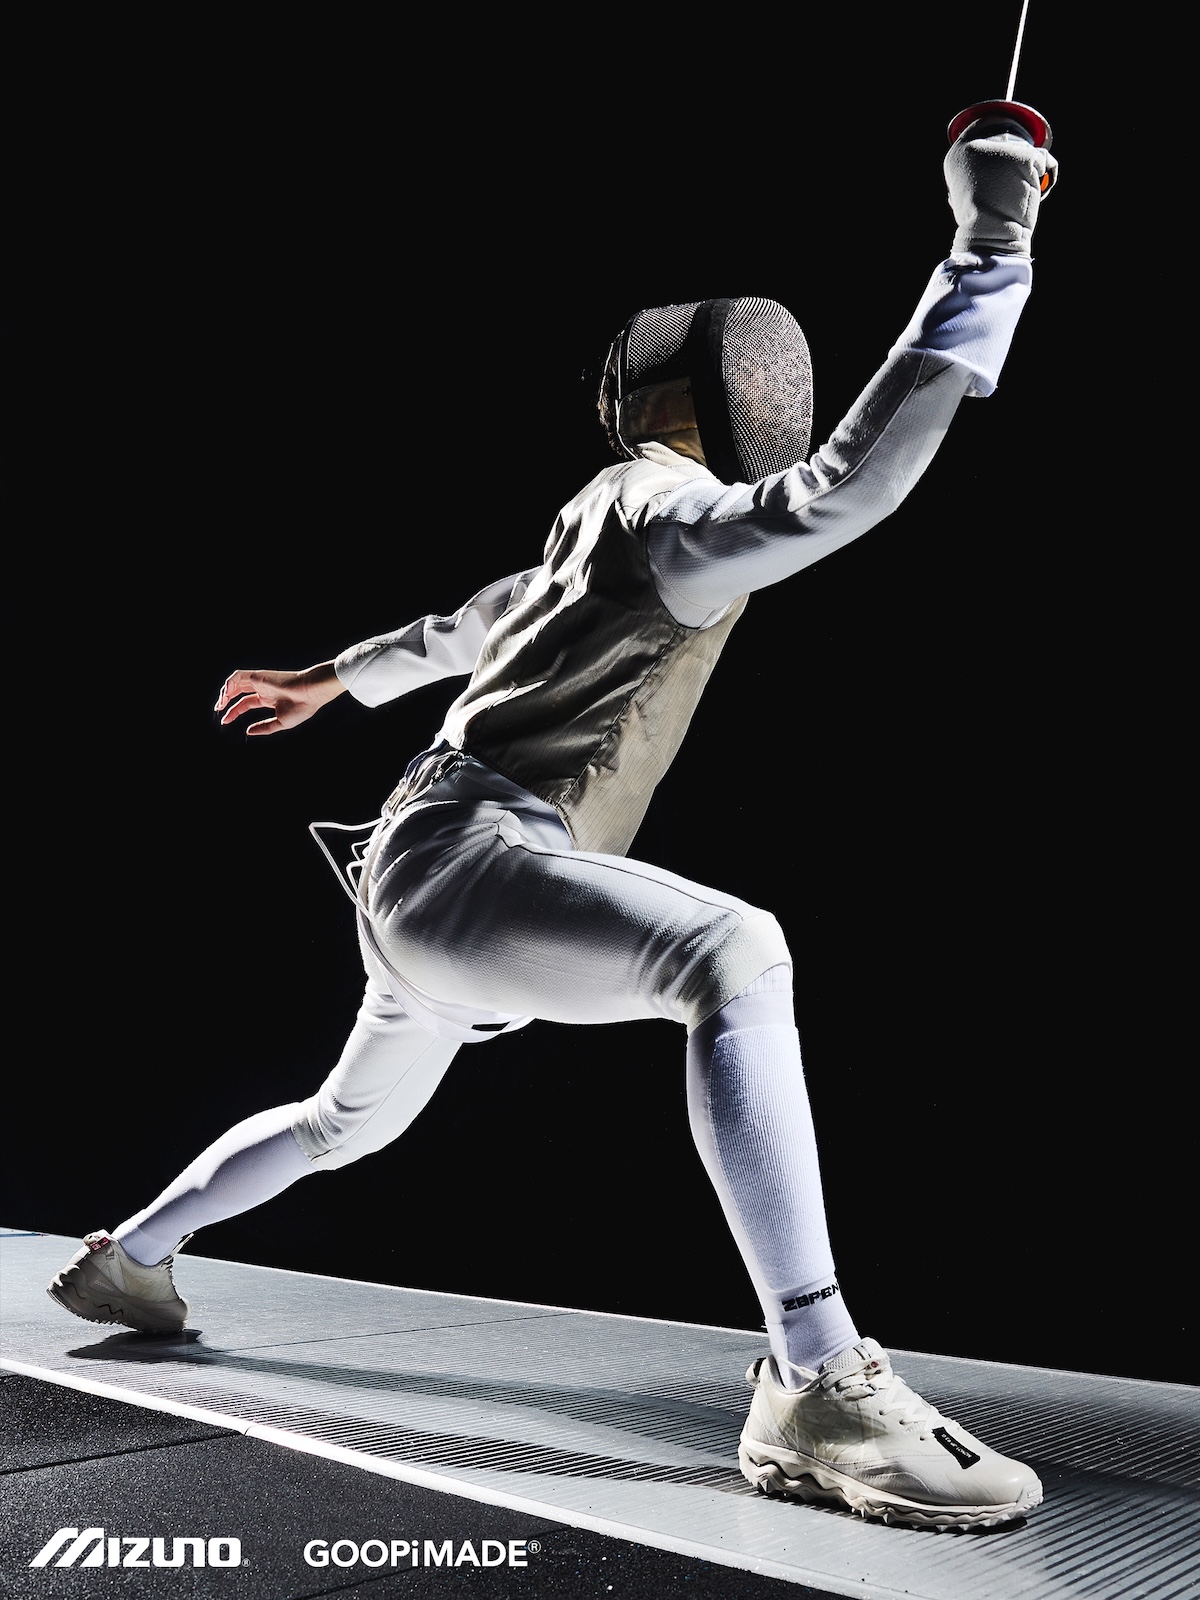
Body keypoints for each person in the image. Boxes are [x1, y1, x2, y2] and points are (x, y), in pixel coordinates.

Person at [49, 119, 1057, 1530]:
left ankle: (132, 1259)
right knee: (733, 954)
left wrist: (330, 677)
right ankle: (816, 1375)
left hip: (420, 868)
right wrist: (992, 243)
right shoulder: (674, 521)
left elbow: (476, 623)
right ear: (729, 391)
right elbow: (847, 489)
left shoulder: (597, 515)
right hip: (478, 860)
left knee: (342, 1123)